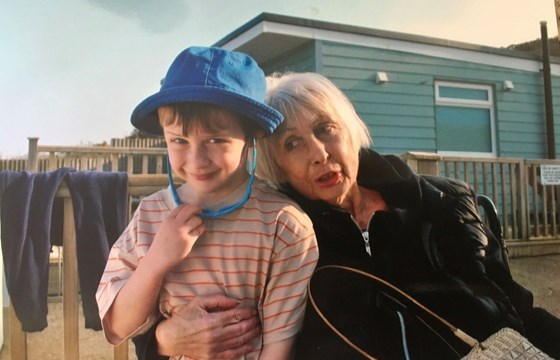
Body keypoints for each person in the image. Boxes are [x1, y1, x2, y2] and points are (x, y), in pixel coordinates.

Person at [137, 71, 560, 359]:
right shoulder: (275, 234)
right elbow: (192, 311)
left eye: (325, 129)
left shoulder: (444, 201)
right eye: (292, 144)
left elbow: (516, 308)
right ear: (275, 166)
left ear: (349, 130)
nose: (319, 154)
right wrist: (161, 340)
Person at [96, 48, 318, 360]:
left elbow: (279, 346)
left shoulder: (284, 225)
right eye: (179, 141)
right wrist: (158, 259)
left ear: (252, 136)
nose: (197, 160)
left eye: (216, 140)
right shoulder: (150, 214)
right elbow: (118, 325)